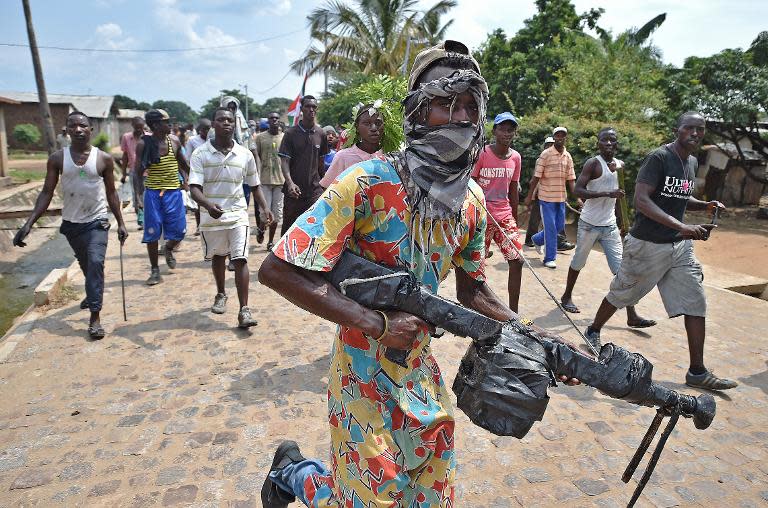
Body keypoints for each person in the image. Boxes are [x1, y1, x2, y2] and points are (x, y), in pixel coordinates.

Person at [257, 40, 578, 508]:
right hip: (360, 370)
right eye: (445, 103)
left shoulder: (469, 202)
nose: (460, 117)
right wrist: (375, 323)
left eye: (471, 106)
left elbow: (474, 291)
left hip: (421, 374)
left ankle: (293, 472)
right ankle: (296, 474)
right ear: (416, 109)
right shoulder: (367, 181)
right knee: (369, 499)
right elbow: (278, 269)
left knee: (430, 495)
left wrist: (538, 338)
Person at [584, 112, 737, 390]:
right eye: (689, 128)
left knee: (695, 301)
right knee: (622, 292)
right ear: (677, 130)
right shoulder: (658, 158)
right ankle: (593, 329)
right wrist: (682, 225)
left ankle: (697, 371)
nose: (695, 133)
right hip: (647, 245)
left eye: (700, 129)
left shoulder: (690, 161)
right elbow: (642, 201)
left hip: (679, 247)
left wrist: (705, 205)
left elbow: (679, 196)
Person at [13, 111, 128, 339]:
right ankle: (91, 291)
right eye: (73, 126)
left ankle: (95, 318)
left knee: (95, 262)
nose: (78, 130)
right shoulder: (57, 158)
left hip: (97, 221)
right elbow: (46, 192)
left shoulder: (102, 159)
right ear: (66, 131)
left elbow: (112, 194)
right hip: (72, 224)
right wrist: (29, 223)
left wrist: (121, 222)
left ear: (90, 130)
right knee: (86, 263)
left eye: (82, 126)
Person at [559, 127, 656, 329]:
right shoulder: (593, 164)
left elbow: (619, 196)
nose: (609, 144)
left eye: (613, 141)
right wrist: (606, 193)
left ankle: (632, 314)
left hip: (609, 226)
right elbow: (578, 190)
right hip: (588, 224)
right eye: (605, 140)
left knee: (621, 270)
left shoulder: (620, 166)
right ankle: (566, 296)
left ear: (617, 144)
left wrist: (623, 223)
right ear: (599, 143)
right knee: (578, 262)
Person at [189, 107, 273, 328]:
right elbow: (194, 188)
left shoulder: (244, 154)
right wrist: (207, 204)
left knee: (240, 259)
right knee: (218, 257)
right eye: (221, 120)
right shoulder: (200, 154)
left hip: (237, 215)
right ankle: (220, 293)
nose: (226, 123)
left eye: (229, 120)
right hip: (211, 216)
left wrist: (264, 209)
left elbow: (255, 186)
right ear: (214, 125)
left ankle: (244, 309)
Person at [470, 111, 524, 312]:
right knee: (476, 266)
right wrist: (474, 215)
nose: (506, 133)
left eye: (511, 130)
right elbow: (471, 185)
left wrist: (514, 220)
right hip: (482, 215)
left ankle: (514, 313)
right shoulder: (482, 154)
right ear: (495, 131)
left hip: (504, 215)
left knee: (517, 260)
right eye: (502, 129)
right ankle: (478, 306)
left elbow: (513, 190)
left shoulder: (516, 158)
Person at [135, 109, 189, 285]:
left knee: (180, 231)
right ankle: (155, 270)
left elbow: (184, 164)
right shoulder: (144, 144)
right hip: (153, 194)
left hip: (173, 192)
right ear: (157, 125)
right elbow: (137, 173)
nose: (170, 125)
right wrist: (138, 197)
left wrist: (194, 180)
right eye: (167, 122)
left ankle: (168, 248)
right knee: (152, 232)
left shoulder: (174, 141)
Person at [524, 126, 582, 268]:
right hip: (546, 198)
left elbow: (571, 180)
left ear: (565, 138)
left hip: (561, 199)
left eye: (563, 135)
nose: (560, 138)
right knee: (550, 227)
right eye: (557, 135)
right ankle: (549, 258)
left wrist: (578, 198)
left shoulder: (568, 156)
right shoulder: (546, 154)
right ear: (554, 137)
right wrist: (529, 196)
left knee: (558, 227)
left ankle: (537, 239)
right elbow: (536, 177)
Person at [278, 95, 328, 235]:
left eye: (314, 107)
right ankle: (284, 256)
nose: (311, 109)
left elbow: (321, 163)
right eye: (308, 106)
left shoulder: (321, 133)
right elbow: (284, 161)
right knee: (289, 228)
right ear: (301, 109)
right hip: (294, 192)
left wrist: (323, 186)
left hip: (314, 191)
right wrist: (290, 183)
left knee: (313, 227)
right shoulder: (290, 133)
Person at [524, 136, 573, 251]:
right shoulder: (542, 158)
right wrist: (531, 195)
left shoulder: (563, 158)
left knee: (558, 220)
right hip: (542, 194)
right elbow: (536, 178)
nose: (551, 147)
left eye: (552, 144)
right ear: (545, 146)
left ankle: (560, 242)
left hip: (556, 195)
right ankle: (530, 239)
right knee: (536, 218)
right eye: (548, 145)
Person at [319, 105, 384, 188]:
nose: (374, 128)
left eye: (378, 123)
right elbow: (327, 189)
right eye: (367, 123)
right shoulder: (343, 157)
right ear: (357, 127)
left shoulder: (389, 156)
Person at [254, 112, 285, 249]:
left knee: (276, 214)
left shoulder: (284, 138)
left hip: (280, 181)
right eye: (271, 118)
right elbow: (256, 157)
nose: (274, 120)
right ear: (268, 121)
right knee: (264, 213)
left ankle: (271, 241)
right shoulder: (260, 138)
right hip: (264, 180)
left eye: (276, 118)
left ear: (279, 121)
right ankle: (261, 230)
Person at [184, 118, 211, 236]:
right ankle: (199, 225)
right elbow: (187, 158)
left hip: (212, 175)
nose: (207, 131)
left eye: (209, 128)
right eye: (205, 129)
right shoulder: (192, 141)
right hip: (198, 175)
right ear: (199, 130)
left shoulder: (214, 140)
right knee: (199, 202)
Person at [120, 116, 147, 229]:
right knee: (136, 197)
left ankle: (147, 220)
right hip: (134, 172)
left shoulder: (148, 137)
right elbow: (125, 156)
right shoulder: (126, 138)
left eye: (141, 128)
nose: (139, 130)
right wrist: (123, 174)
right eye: (137, 128)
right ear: (133, 126)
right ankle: (141, 220)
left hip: (148, 172)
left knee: (147, 196)